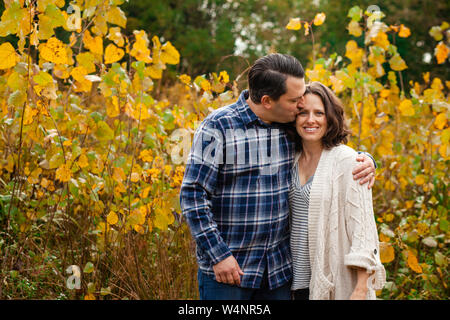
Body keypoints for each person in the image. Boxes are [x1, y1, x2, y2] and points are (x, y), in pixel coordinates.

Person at [179, 53, 376, 300]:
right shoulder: (219, 127)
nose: (301, 106)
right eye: (295, 101)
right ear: (267, 101)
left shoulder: (287, 126)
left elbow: (327, 148)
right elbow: (193, 194)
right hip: (230, 273)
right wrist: (219, 255)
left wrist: (365, 159)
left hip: (278, 275)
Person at [289, 81, 386, 300]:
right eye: (303, 113)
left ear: (330, 117)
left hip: (335, 282)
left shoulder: (348, 161)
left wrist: (361, 289)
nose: (310, 120)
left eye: (319, 113)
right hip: (291, 282)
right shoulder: (290, 159)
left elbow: (362, 229)